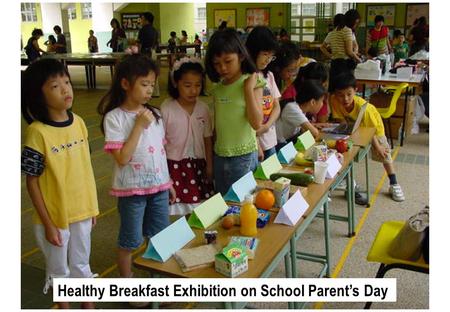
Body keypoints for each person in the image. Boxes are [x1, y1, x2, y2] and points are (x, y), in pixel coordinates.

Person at [21, 58, 99, 309]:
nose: (66, 89)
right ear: (38, 95)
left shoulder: (77, 122)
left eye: (66, 82)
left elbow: (85, 168)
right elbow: (32, 182)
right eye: (55, 86)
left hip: (82, 212)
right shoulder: (37, 132)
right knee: (59, 271)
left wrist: (92, 207)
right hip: (55, 218)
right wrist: (47, 223)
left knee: (81, 263)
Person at [97, 55, 174, 281]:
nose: (150, 90)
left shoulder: (156, 114)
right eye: (144, 84)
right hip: (131, 191)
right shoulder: (115, 118)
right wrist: (139, 126)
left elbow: (161, 155)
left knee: (161, 237)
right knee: (130, 241)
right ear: (125, 84)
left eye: (152, 84)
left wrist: (167, 183)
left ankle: (159, 281)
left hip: (159, 188)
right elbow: (122, 158)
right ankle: (128, 283)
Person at [204, 28, 263, 195]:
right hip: (220, 155)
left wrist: (248, 90)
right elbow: (218, 125)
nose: (222, 68)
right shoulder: (218, 89)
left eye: (228, 61)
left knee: (243, 204)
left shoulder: (253, 82)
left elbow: (256, 123)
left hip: (243, 156)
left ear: (241, 56)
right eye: (217, 63)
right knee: (224, 204)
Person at [329, 72, 405, 202]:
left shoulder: (366, 109)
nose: (345, 99)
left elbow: (371, 132)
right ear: (335, 94)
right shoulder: (334, 100)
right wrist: (347, 133)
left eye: (349, 94)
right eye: (340, 95)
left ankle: (394, 183)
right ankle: (347, 180)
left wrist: (378, 147)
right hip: (354, 127)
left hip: (375, 130)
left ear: (356, 91)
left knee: (384, 155)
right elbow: (341, 120)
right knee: (343, 153)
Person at [161, 57, 214, 215]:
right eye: (187, 85)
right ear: (176, 83)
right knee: (176, 206)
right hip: (175, 166)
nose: (193, 90)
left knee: (198, 207)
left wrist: (210, 166)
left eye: (198, 85)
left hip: (199, 166)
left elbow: (207, 139)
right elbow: (160, 144)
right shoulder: (167, 109)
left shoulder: (203, 109)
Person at [245, 26, 281, 161]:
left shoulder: (269, 76)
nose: (268, 60)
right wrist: (257, 143)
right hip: (254, 144)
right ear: (254, 51)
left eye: (271, 56)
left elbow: (276, 105)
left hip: (271, 140)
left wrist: (266, 126)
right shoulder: (247, 78)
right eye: (265, 54)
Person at [275, 79, 326, 149]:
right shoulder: (292, 108)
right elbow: (315, 133)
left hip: (286, 141)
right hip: (278, 145)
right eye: (322, 101)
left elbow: (303, 130)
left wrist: (313, 126)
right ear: (313, 102)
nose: (322, 104)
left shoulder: (300, 108)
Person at [321, 13, 361, 90]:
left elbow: (322, 47)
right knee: (345, 88)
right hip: (344, 64)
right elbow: (349, 52)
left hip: (335, 63)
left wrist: (331, 56)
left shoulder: (332, 33)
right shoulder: (347, 30)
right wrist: (358, 59)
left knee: (334, 89)